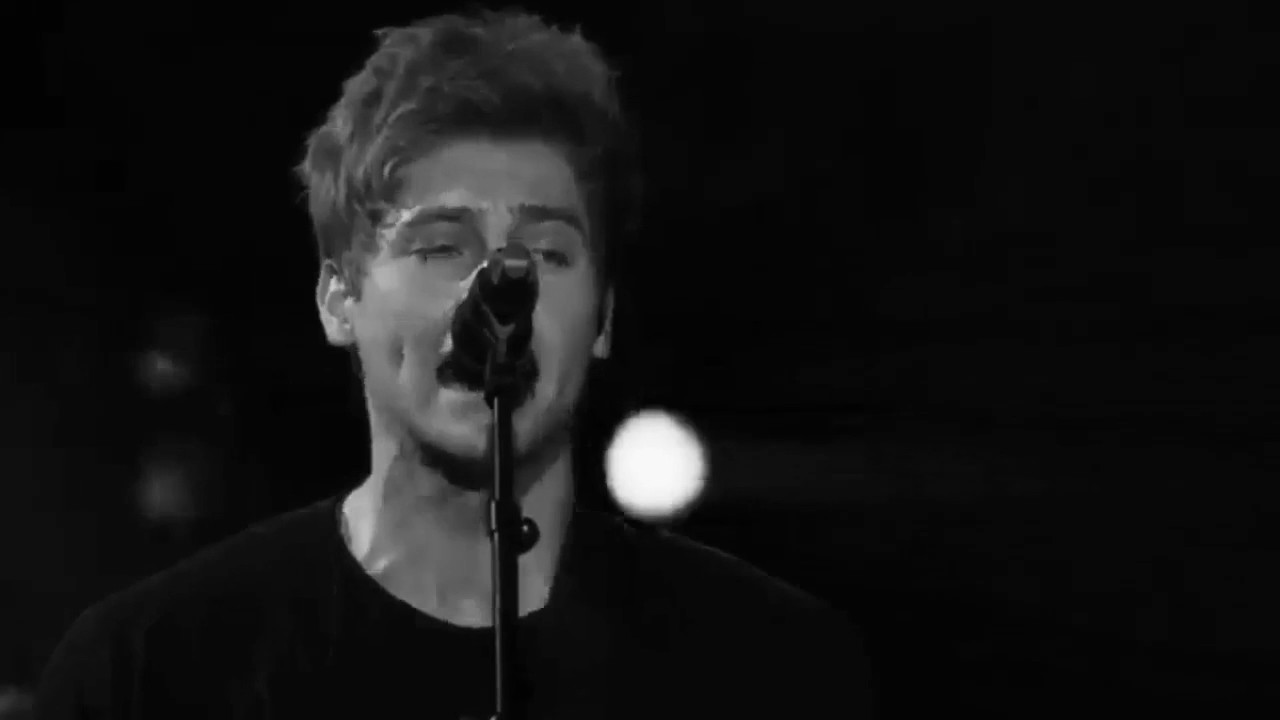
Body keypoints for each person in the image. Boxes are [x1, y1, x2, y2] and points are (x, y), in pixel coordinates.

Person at [35, 10, 876, 719]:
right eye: (441, 247)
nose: (499, 289)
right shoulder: (151, 673)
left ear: (604, 316)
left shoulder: (777, 667)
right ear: (338, 298)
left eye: (547, 253)